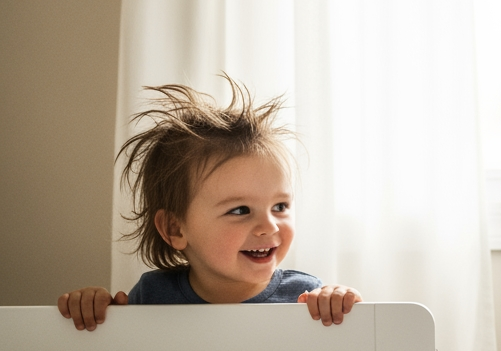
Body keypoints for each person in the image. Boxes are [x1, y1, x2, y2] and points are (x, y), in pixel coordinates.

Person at [58, 80, 361, 331]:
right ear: (175, 228)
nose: (269, 226)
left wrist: (341, 304)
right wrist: (94, 309)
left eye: (280, 206)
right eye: (240, 210)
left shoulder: (305, 298)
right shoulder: (152, 297)